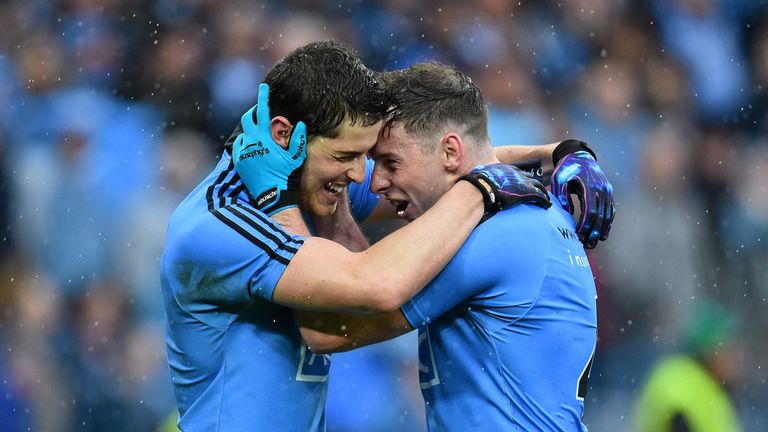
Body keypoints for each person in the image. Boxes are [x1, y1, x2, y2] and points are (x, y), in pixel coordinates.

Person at [161, 41, 554, 431]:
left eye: (364, 157)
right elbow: (374, 287)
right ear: (284, 135)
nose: (358, 175)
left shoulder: (311, 183)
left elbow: (442, 169)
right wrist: (483, 189)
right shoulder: (220, 225)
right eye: (346, 157)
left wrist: (558, 155)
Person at [293, 62, 599, 431]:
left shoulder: (489, 235)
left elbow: (329, 327)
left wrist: (278, 203)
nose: (375, 182)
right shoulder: (527, 213)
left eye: (390, 162)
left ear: (451, 153)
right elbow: (478, 161)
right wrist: (560, 151)